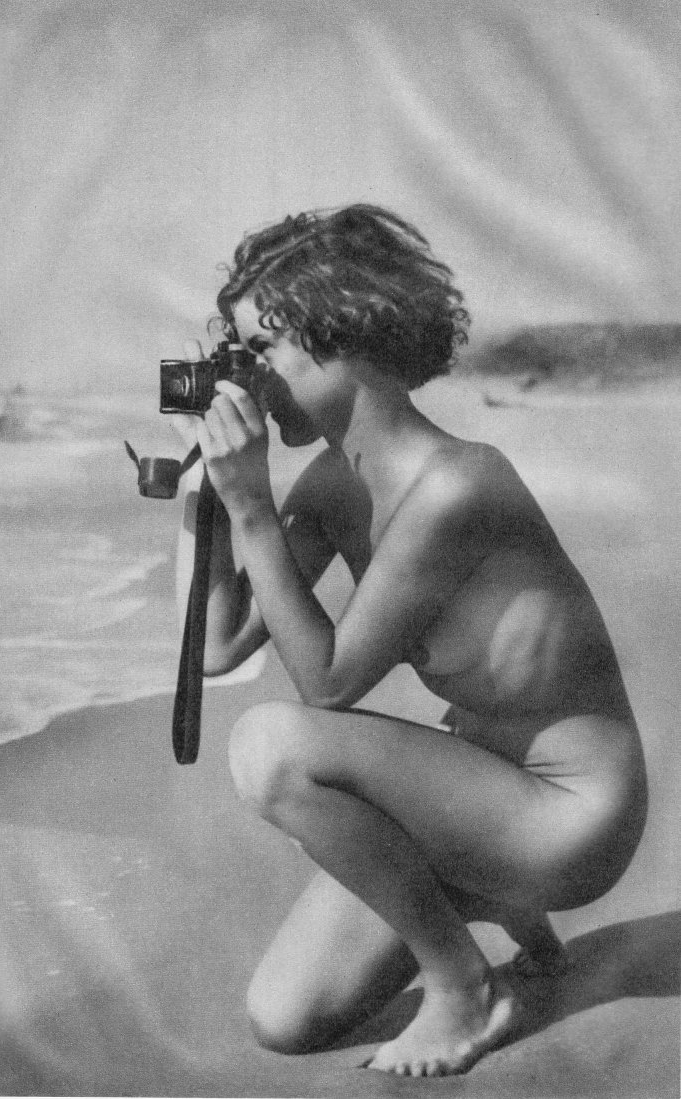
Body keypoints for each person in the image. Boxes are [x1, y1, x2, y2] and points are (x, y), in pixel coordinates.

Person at [179, 204, 647, 1077]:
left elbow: (327, 686)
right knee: (284, 1016)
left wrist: (253, 507)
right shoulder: (331, 483)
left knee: (270, 747)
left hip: (572, 818)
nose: (251, 378)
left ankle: (463, 985)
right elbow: (218, 645)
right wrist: (205, 499)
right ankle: (498, 907)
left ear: (346, 338)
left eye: (262, 349)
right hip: (481, 800)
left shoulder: (459, 486)